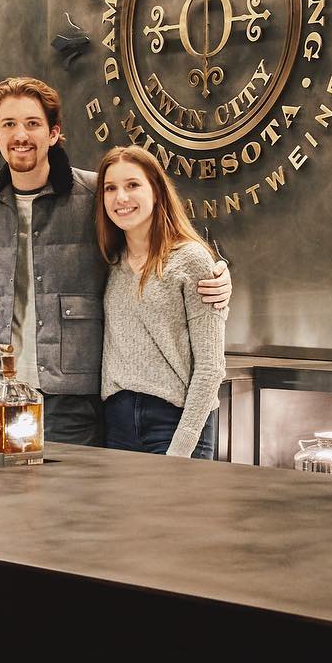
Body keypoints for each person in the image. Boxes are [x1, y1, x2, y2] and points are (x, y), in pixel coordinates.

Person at [0, 77, 232, 447]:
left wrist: (220, 271)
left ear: (53, 133)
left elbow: (158, 229)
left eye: (33, 123)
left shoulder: (96, 194)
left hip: (73, 398)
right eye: (9, 124)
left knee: (73, 505)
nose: (21, 134)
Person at [97, 145, 227, 459]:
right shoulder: (109, 262)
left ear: (156, 190)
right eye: (110, 188)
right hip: (118, 421)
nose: (121, 198)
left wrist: (182, 445)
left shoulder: (190, 259)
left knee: (177, 510)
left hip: (175, 420)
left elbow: (211, 368)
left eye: (132, 185)